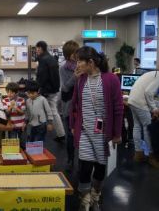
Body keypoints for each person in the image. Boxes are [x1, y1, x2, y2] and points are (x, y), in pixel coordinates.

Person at [70, 46, 123, 211]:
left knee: (100, 167)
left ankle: (95, 196)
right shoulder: (81, 79)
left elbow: (118, 108)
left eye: (80, 61)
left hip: (102, 133)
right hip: (85, 130)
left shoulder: (111, 79)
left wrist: (117, 133)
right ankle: (84, 199)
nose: (77, 64)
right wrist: (73, 125)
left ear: (91, 62)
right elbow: (75, 105)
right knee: (84, 166)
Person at [35, 41, 65, 142]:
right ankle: (60, 133)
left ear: (41, 48)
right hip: (53, 89)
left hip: (48, 90)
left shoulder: (44, 60)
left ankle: (60, 134)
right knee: (52, 111)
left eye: (37, 48)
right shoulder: (51, 58)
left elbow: (43, 77)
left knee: (52, 111)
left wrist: (38, 88)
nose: (36, 50)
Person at [128, 70, 159, 167]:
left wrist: (153, 106)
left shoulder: (154, 74)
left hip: (132, 100)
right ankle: (151, 156)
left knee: (137, 126)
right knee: (147, 127)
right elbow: (148, 92)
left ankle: (138, 154)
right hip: (140, 102)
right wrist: (154, 108)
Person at [59, 40, 79, 169]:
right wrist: (75, 76)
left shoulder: (82, 64)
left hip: (81, 104)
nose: (77, 55)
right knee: (70, 134)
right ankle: (70, 159)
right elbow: (65, 88)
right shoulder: (63, 67)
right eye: (74, 53)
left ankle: (82, 159)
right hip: (68, 104)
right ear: (69, 54)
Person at [2, 82, 26, 149]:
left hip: (21, 125)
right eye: (8, 92)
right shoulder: (5, 100)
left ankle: (25, 157)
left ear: (16, 92)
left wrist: (16, 108)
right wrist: (10, 107)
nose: (9, 94)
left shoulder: (22, 100)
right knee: (13, 144)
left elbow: (22, 112)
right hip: (12, 126)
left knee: (23, 143)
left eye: (12, 92)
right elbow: (6, 113)